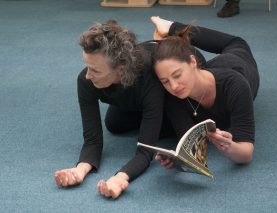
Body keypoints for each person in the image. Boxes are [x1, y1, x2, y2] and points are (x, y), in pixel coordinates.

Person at [54, 20, 173, 199]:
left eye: (95, 70)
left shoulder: (150, 77)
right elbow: (92, 141)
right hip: (133, 90)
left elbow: (145, 150)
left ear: (121, 69)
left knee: (171, 126)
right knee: (115, 124)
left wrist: (120, 178)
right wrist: (80, 169)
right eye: (87, 66)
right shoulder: (86, 81)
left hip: (173, 86)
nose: (87, 75)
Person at [150, 16, 259, 169]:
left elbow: (246, 153)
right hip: (209, 69)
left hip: (238, 61)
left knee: (236, 42)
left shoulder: (235, 85)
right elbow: (191, 145)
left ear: (193, 62)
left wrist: (229, 147)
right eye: (165, 81)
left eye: (177, 75)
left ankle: (172, 27)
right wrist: (177, 158)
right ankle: (167, 41)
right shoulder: (173, 95)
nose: (174, 86)